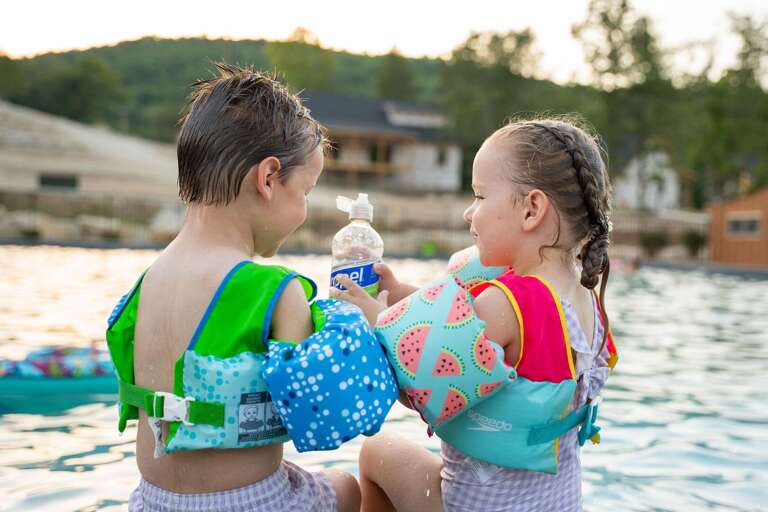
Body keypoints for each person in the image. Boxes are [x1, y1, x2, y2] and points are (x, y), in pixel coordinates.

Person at [106, 64, 359, 512]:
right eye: (305, 191)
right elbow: (318, 412)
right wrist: (351, 323)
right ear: (268, 178)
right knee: (349, 486)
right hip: (254, 502)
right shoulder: (274, 290)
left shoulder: (148, 282)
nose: (304, 211)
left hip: (153, 502)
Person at [334, 118, 617, 512]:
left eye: (480, 196)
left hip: (472, 505)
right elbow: (461, 327)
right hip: (558, 504)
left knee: (377, 452)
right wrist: (397, 293)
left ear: (532, 209)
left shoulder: (507, 303)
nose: (469, 213)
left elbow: (416, 386)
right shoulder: (585, 298)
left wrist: (374, 318)